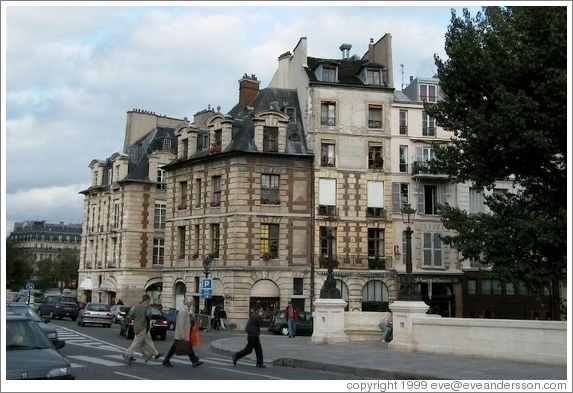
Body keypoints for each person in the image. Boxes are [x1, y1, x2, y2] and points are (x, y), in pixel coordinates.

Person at [162, 296, 204, 368]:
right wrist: (182, 334)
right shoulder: (183, 310)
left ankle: (194, 361)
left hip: (183, 333)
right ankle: (166, 360)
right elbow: (181, 323)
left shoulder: (185, 309)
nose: (191, 304)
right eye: (191, 303)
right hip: (181, 334)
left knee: (185, 347)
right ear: (187, 302)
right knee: (180, 347)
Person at [123, 294, 164, 364]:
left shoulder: (137, 306)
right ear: (148, 300)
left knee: (143, 342)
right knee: (137, 342)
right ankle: (128, 354)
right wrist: (147, 320)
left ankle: (147, 356)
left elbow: (131, 315)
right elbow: (148, 315)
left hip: (136, 326)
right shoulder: (147, 307)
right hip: (143, 327)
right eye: (149, 300)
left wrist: (137, 318)